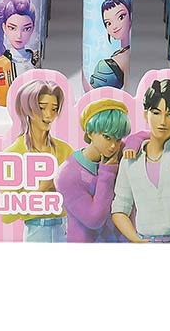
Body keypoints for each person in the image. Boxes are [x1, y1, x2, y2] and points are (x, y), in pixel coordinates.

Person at [111, 79, 170, 242]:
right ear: (146, 114)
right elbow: (119, 208)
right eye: (156, 113)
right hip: (145, 240)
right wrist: (137, 240)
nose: (163, 121)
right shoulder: (130, 160)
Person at [1, 79, 73, 242]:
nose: (48, 115)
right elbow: (7, 215)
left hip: (65, 229)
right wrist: (42, 189)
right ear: (27, 108)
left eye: (54, 109)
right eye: (42, 108)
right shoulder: (14, 154)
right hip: (36, 230)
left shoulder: (65, 150)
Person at [55, 98, 131, 242]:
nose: (113, 146)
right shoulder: (68, 174)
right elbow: (95, 219)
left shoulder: (118, 153)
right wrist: (107, 173)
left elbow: (145, 137)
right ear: (90, 133)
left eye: (118, 139)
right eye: (107, 137)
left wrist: (133, 144)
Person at [0, 0, 40, 107]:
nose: (19, 35)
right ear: (4, 27)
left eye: (26, 29)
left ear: (33, 29)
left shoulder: (35, 59)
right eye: (12, 28)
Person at [89, 0, 132, 89]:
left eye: (121, 17)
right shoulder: (120, 52)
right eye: (108, 23)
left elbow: (126, 89)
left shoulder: (126, 55)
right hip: (94, 95)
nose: (114, 27)